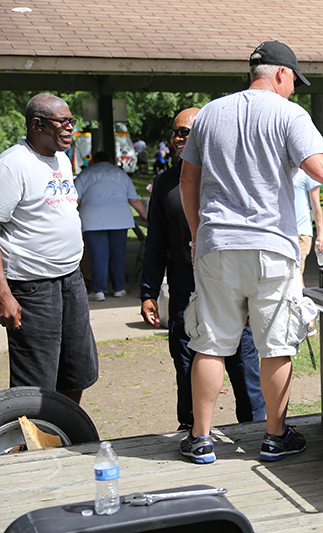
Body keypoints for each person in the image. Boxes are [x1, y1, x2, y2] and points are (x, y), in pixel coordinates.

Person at [178, 40, 323, 464]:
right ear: (281, 73)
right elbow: (319, 168)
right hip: (272, 247)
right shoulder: (289, 114)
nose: (295, 89)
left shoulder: (209, 114)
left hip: (216, 245)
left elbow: (188, 181)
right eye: (294, 80)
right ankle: (275, 436)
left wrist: (197, 235)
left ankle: (201, 438)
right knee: (275, 346)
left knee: (210, 345)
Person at [139, 108, 265, 431]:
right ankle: (193, 429)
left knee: (243, 361)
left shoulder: (229, 178)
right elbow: (155, 244)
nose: (181, 138)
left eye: (189, 132)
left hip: (231, 283)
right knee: (186, 361)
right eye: (177, 132)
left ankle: (254, 426)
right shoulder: (165, 183)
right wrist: (148, 293)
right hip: (185, 286)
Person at [0, 93, 99, 405]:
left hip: (69, 282)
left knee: (77, 370)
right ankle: (32, 450)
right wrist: (4, 295)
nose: (70, 127)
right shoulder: (12, 164)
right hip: (32, 287)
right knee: (36, 381)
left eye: (71, 121)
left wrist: (82, 270)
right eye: (63, 122)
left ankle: (64, 434)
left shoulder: (60, 159)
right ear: (37, 124)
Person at [76, 151, 148, 301]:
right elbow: (134, 200)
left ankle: (99, 290)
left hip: (93, 218)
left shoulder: (86, 173)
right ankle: (119, 288)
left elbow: (76, 199)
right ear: (110, 160)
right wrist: (147, 218)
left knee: (98, 256)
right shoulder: (121, 174)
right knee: (118, 254)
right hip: (119, 218)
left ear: (94, 161)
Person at [294, 168, 323, 285]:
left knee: (295, 275)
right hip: (280, 231)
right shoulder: (276, 171)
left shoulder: (306, 173)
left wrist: (321, 234)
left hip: (301, 232)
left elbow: (316, 204)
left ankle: (298, 301)